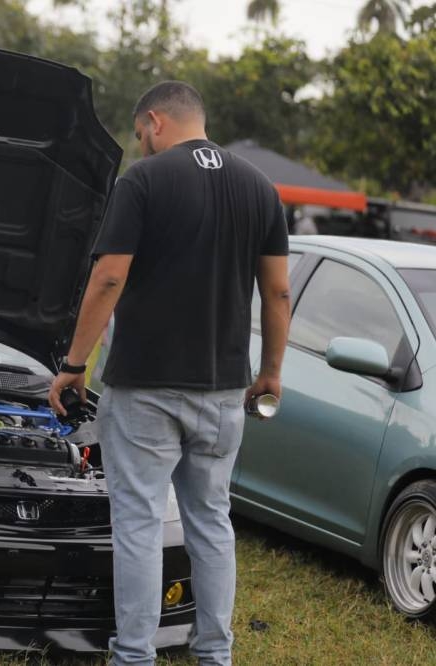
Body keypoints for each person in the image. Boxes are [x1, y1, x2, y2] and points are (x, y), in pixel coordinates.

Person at [48, 81, 291, 666]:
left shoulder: (145, 181)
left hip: (146, 390)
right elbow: (278, 291)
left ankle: (133, 656)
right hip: (225, 391)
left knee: (138, 522)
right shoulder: (261, 188)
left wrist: (75, 366)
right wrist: (272, 373)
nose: (142, 147)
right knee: (211, 522)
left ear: (155, 121)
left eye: (139, 136)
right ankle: (215, 654)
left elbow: (108, 278)